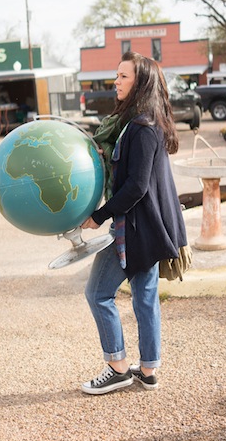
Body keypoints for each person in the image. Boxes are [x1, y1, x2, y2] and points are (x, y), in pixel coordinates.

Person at [80, 51, 187, 395]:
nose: (116, 81)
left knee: (97, 293)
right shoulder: (146, 122)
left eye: (123, 76)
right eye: (117, 75)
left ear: (140, 82)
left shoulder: (141, 128)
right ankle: (149, 370)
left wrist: (98, 216)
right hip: (150, 228)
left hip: (136, 230)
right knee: (144, 297)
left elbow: (137, 186)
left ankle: (118, 367)